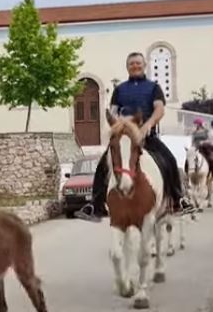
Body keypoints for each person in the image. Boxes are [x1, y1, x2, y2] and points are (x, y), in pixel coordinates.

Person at [76, 52, 196, 222]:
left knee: (169, 159)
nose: (135, 66)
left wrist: (148, 125)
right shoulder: (119, 89)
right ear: (127, 67)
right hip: (125, 137)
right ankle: (95, 205)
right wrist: (118, 126)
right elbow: (114, 111)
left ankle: (179, 199)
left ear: (144, 65)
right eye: (131, 63)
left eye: (138, 63)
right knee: (103, 165)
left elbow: (159, 109)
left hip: (146, 136)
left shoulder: (154, 88)